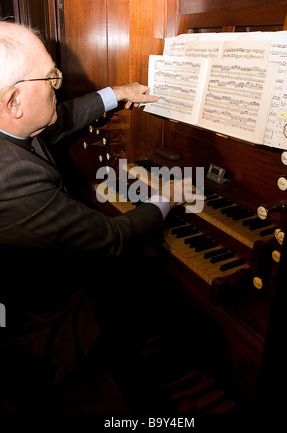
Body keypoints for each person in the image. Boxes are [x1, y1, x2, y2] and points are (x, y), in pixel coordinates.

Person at [0, 21, 203, 412]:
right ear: (13, 102)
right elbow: (113, 238)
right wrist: (164, 199)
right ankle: (123, 376)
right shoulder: (10, 176)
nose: (58, 86)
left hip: (32, 282)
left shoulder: (10, 123)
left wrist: (117, 94)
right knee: (154, 285)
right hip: (34, 333)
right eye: (51, 77)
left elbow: (59, 120)